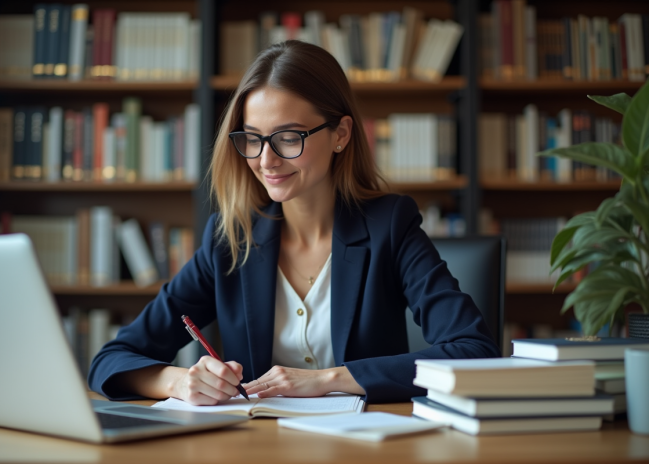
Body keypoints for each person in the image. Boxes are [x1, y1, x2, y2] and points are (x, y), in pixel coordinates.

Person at [88, 40, 499, 405]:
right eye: (251, 138)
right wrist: (178, 381)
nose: (266, 161)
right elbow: (110, 360)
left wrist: (329, 380)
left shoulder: (390, 225)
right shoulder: (230, 238)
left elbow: (473, 350)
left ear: (340, 134)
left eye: (288, 138)